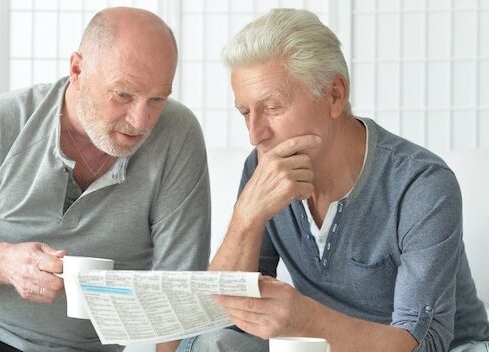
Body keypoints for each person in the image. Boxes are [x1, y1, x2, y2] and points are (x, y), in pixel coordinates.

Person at [0, 7, 210, 352]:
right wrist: (6, 263)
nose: (141, 120)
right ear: (77, 70)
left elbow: (180, 288)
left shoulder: (178, 136)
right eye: (123, 95)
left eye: (158, 99)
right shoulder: (3, 122)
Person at [179, 8, 489, 352]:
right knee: (212, 340)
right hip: (318, 347)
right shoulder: (263, 168)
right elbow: (215, 317)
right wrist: (246, 217)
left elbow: (426, 345)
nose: (255, 134)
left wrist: (306, 320)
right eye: (245, 112)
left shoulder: (420, 184)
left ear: (334, 95)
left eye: (273, 107)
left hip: (440, 347)